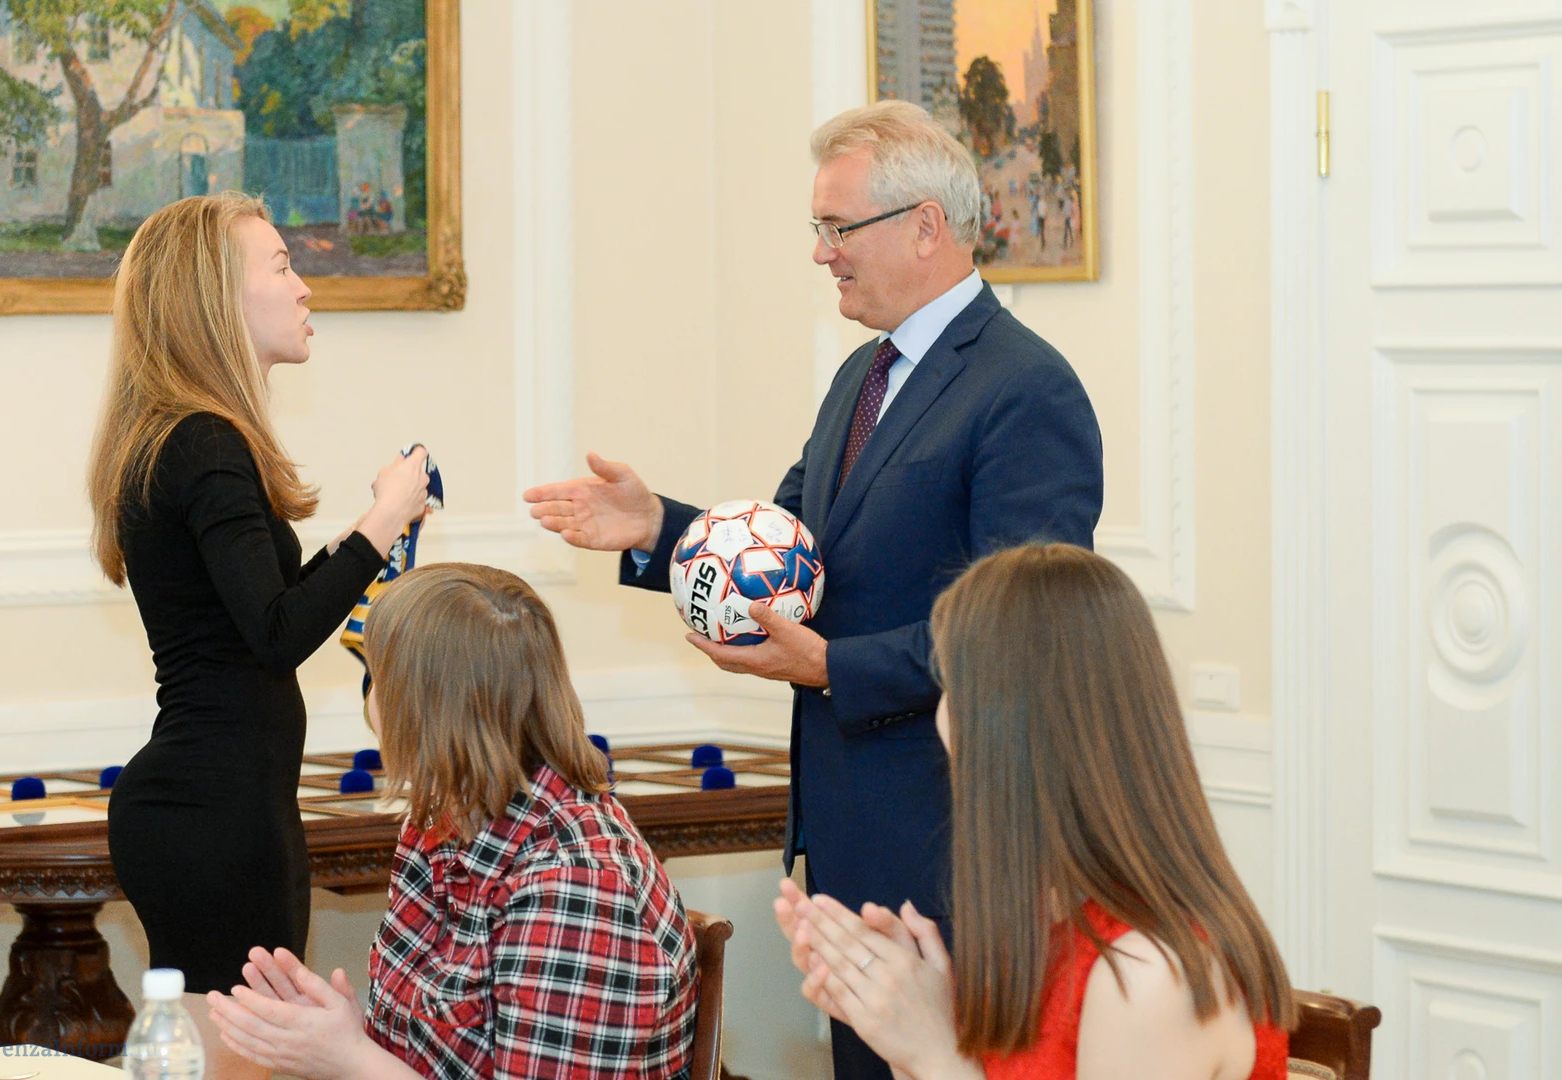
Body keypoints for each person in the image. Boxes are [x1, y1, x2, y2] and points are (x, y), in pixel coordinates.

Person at [523, 101, 1103, 1080]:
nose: (821, 253)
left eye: (838, 228)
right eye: (818, 228)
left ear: (925, 226)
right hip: (848, 837)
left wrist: (836, 666)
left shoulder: (1024, 387)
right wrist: (659, 528)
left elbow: (1023, 632)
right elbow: (797, 550)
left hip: (956, 847)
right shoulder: (862, 376)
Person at [88, 192, 432, 1079]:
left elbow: (260, 611)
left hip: (219, 806)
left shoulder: (186, 436)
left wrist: (366, 536)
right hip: (213, 815)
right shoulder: (202, 440)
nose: (305, 286)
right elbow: (278, 634)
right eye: (281, 266)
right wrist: (383, 519)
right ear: (215, 297)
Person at [774, 544, 1295, 1080]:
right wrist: (905, 1030)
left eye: (953, 686)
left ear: (1011, 724)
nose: (944, 716)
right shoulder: (1043, 917)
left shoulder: (1148, 976)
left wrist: (937, 1054)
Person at [204, 563, 699, 1080]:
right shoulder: (439, 823)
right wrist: (348, 1036)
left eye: (378, 678)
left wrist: (350, 1059)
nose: (370, 700)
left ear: (425, 709)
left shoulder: (576, 885)